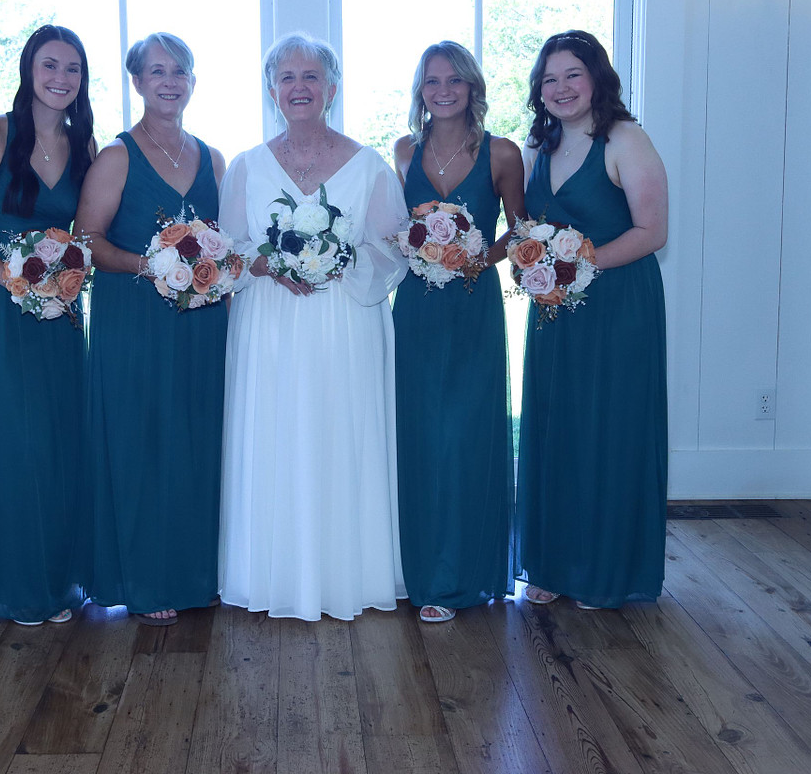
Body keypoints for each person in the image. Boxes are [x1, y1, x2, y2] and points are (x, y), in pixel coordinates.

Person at [218, 32, 409, 621]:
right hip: (270, 325)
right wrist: (265, 264)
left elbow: (392, 252)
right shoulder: (245, 167)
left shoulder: (370, 166)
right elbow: (228, 252)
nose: (299, 88)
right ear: (272, 89)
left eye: (311, 77)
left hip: (343, 323)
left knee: (338, 436)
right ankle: (271, 573)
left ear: (332, 87)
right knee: (275, 437)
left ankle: (346, 573)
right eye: (287, 77)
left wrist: (337, 257)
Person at [76, 33, 227, 626]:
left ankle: (198, 575)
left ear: (193, 81)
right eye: (157, 71)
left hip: (201, 325)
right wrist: (151, 265)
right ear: (137, 82)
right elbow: (87, 241)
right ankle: (146, 579)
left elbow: (225, 243)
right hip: (134, 323)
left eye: (180, 71)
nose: (170, 81)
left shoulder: (213, 159)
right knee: (143, 444)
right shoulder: (117, 157)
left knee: (197, 443)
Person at [0, 25, 95, 625]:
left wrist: (67, 277)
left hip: (59, 313)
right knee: (17, 443)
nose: (61, 78)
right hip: (0, 308)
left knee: (60, 443)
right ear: (29, 70)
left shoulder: (83, 145)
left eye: (73, 68)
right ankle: (20, 585)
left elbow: (87, 234)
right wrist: (14, 281)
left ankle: (59, 582)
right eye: (50, 65)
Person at [516, 30, 668, 610]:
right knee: (557, 429)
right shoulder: (537, 146)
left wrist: (577, 267)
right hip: (556, 313)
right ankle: (554, 563)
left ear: (596, 77)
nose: (560, 88)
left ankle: (604, 572)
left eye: (572, 75)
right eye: (549, 79)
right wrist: (535, 267)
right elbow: (526, 227)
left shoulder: (626, 138)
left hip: (618, 307)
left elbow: (653, 231)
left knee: (609, 429)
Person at [391, 41, 525, 623]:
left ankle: (464, 576)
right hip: (416, 308)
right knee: (420, 435)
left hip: (472, 306)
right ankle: (420, 572)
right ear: (420, 92)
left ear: (472, 87)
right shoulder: (403, 151)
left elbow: (520, 232)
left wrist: (474, 257)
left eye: (453, 80)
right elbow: (393, 227)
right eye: (431, 81)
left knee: (466, 435)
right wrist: (417, 248)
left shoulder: (503, 153)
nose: (442, 91)